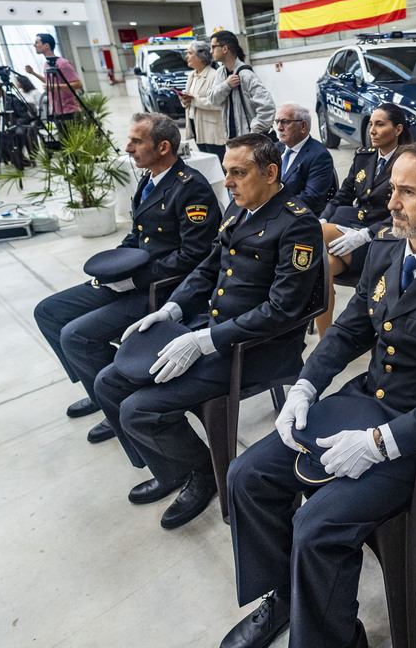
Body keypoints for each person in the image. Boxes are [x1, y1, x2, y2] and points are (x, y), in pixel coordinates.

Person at [219, 139, 416, 648]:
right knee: (246, 475)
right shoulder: (385, 248)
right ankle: (287, 597)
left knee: (316, 526)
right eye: (391, 189)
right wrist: (307, 384)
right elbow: (351, 330)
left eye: (406, 192)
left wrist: (382, 443)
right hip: (367, 399)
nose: (391, 203)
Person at [93, 133, 322, 530]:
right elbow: (208, 268)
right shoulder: (239, 209)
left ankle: (203, 474)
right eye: (226, 173)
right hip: (210, 327)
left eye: (238, 173)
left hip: (252, 349)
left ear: (270, 173)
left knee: (138, 409)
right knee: (108, 383)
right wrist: (171, 309)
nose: (228, 183)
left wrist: (204, 341)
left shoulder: (297, 225)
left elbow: (283, 309)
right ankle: (170, 469)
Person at [34, 113, 220, 444]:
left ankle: (113, 398)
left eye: (136, 141)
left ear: (163, 147)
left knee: (76, 335)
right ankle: (99, 393)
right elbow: (137, 238)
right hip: (133, 280)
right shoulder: (150, 180)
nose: (127, 147)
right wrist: (113, 269)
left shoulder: (191, 189)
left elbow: (195, 257)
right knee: (49, 311)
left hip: (161, 292)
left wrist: (133, 281)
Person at [315, 102, 412, 335]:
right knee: (321, 266)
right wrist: (323, 217)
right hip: (350, 230)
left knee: (309, 234)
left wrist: (366, 234)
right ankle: (326, 336)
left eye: (380, 124)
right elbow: (342, 196)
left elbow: (406, 211)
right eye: (371, 124)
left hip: (386, 238)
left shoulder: (409, 161)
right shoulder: (364, 157)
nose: (372, 130)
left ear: (398, 129)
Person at [178, 30, 275, 155]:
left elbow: (268, 106)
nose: (211, 51)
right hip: (232, 140)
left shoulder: (245, 74)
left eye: (213, 47)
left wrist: (254, 131)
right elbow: (213, 99)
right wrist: (226, 85)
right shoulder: (221, 73)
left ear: (225, 49)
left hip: (249, 142)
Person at [274, 101, 335, 210]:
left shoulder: (319, 156)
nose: (279, 128)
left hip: (295, 217)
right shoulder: (275, 148)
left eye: (284, 122)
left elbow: (311, 199)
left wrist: (271, 203)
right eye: (277, 122)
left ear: (303, 126)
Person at [175, 40, 224, 158]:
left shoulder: (215, 75)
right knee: (205, 160)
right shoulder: (192, 75)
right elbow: (190, 98)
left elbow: (219, 103)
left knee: (218, 161)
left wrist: (194, 100)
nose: (187, 56)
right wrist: (184, 100)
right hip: (195, 125)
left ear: (201, 57)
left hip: (211, 129)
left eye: (190, 53)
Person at [24, 33, 83, 120]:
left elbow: (78, 84)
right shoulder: (46, 64)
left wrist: (56, 87)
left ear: (46, 45)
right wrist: (34, 73)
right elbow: (49, 82)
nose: (34, 45)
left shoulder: (63, 63)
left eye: (37, 42)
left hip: (69, 111)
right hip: (55, 110)